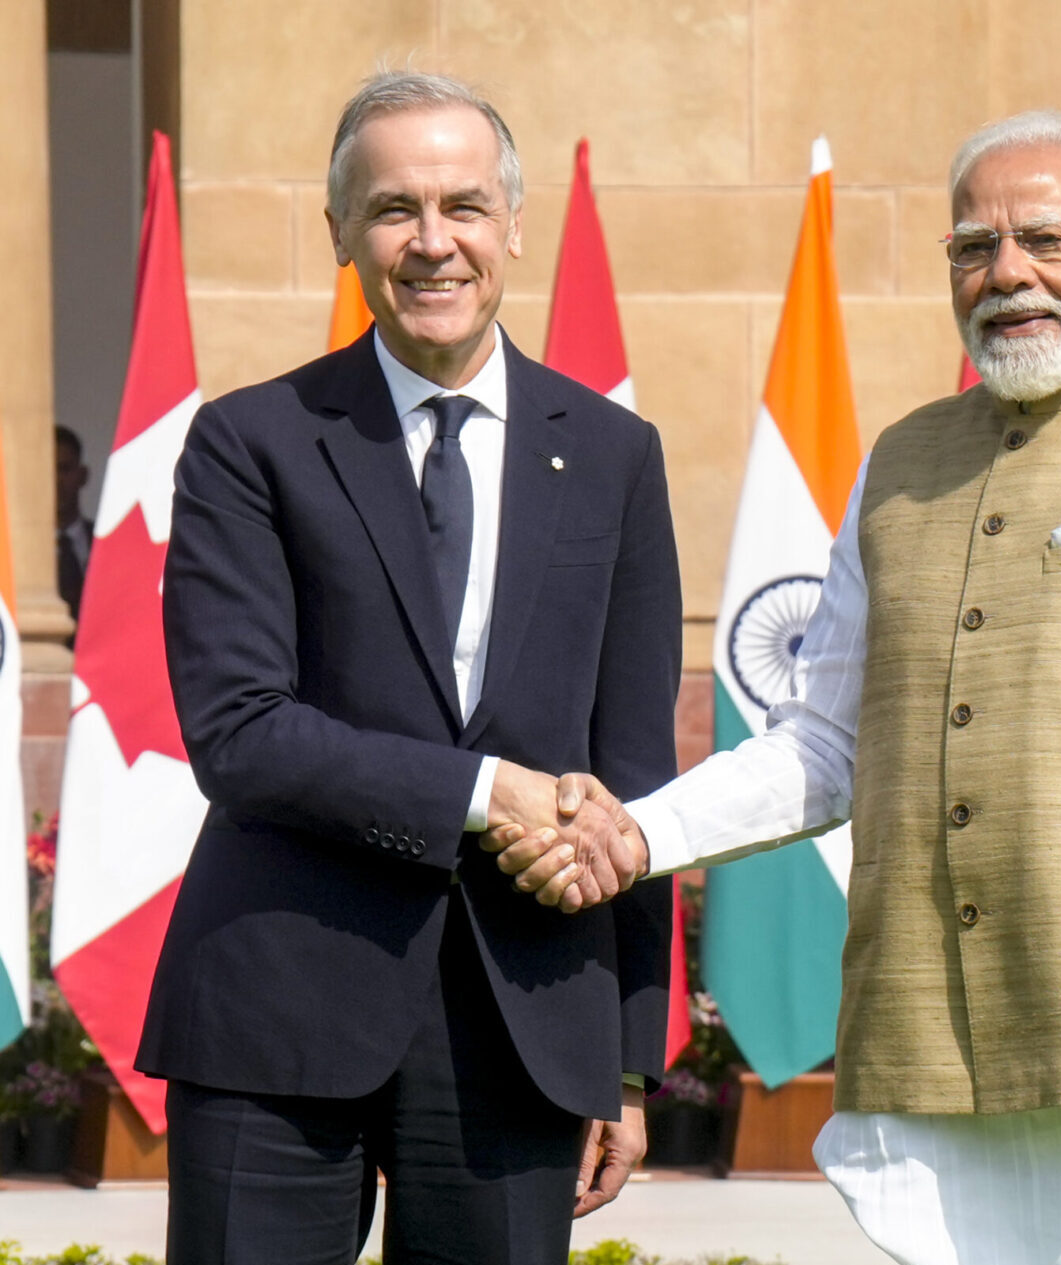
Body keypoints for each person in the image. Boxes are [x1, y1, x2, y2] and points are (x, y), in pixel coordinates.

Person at [493, 112, 1061, 1265]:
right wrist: (638, 831)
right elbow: (822, 745)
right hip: (930, 1047)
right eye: (973, 247)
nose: (1006, 274)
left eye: (1043, 239)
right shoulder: (896, 466)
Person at [136, 71, 681, 1265]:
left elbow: (632, 772)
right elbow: (239, 730)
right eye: (392, 209)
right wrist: (489, 792)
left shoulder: (613, 455)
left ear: (513, 228)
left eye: (464, 206)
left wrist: (627, 1054)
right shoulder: (249, 441)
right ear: (340, 231)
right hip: (272, 1008)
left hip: (523, 1019)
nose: (432, 242)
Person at [54, 424, 93, 626]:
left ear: (83, 475)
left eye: (64, 469)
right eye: (48, 470)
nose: (56, 480)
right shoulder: (20, 553)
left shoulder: (102, 544)